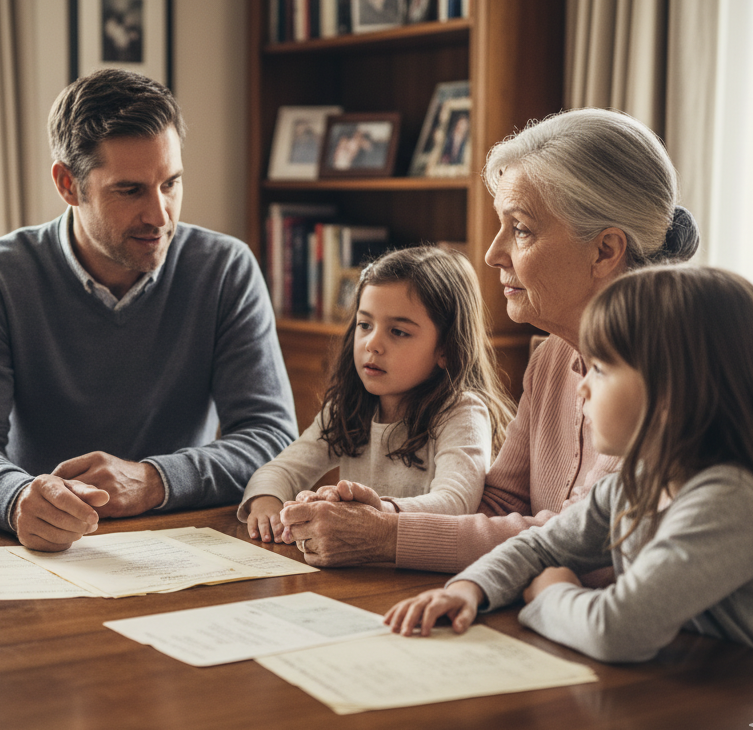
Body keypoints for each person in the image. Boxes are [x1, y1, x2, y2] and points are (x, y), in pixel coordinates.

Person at [280, 108, 700, 570]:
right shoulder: (553, 356)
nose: (492, 253)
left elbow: (580, 542)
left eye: (520, 228)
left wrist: (388, 536)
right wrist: (385, 513)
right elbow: (502, 503)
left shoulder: (672, 382)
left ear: (604, 250)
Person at [0, 69, 296, 552]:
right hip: (39, 551)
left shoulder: (225, 269)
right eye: (130, 190)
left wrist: (153, 480)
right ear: (67, 183)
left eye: (170, 184)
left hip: (183, 546)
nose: (160, 216)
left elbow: (272, 439)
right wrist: (17, 497)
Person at [383, 266, 753, 661]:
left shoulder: (727, 502)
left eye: (601, 368)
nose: (582, 386)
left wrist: (551, 592)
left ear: (671, 392)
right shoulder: (633, 486)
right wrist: (468, 590)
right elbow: (539, 547)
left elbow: (618, 631)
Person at [239, 246, 515, 543]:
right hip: (364, 567)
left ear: (446, 349)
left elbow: (455, 503)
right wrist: (267, 502)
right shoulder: (347, 408)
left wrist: (378, 513)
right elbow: (281, 470)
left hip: (428, 576)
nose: (373, 344)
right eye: (365, 325)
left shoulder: (462, 413)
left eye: (398, 331)